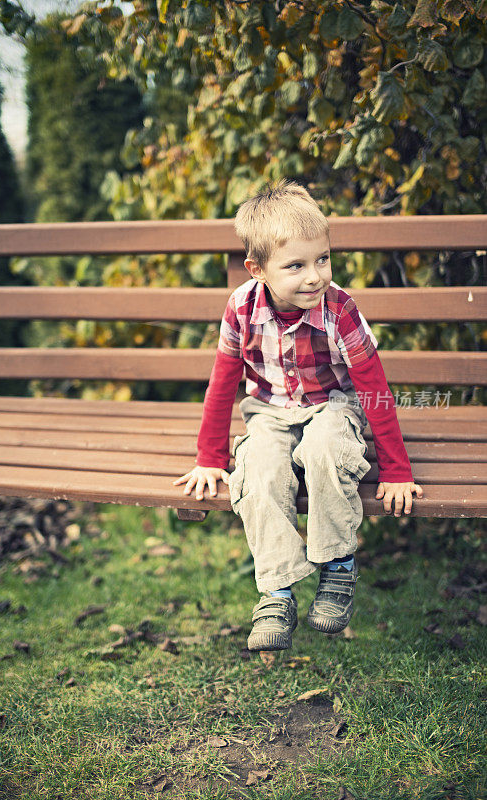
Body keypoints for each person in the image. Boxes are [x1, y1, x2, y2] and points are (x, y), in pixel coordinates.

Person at [173, 178, 423, 652]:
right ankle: (277, 589)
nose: (315, 276)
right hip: (268, 411)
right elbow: (223, 382)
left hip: (333, 406)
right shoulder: (241, 309)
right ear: (258, 268)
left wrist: (396, 470)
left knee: (326, 447)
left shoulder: (339, 310)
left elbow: (373, 389)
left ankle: (338, 566)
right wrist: (210, 457)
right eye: (296, 266)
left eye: (323, 259)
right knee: (261, 467)